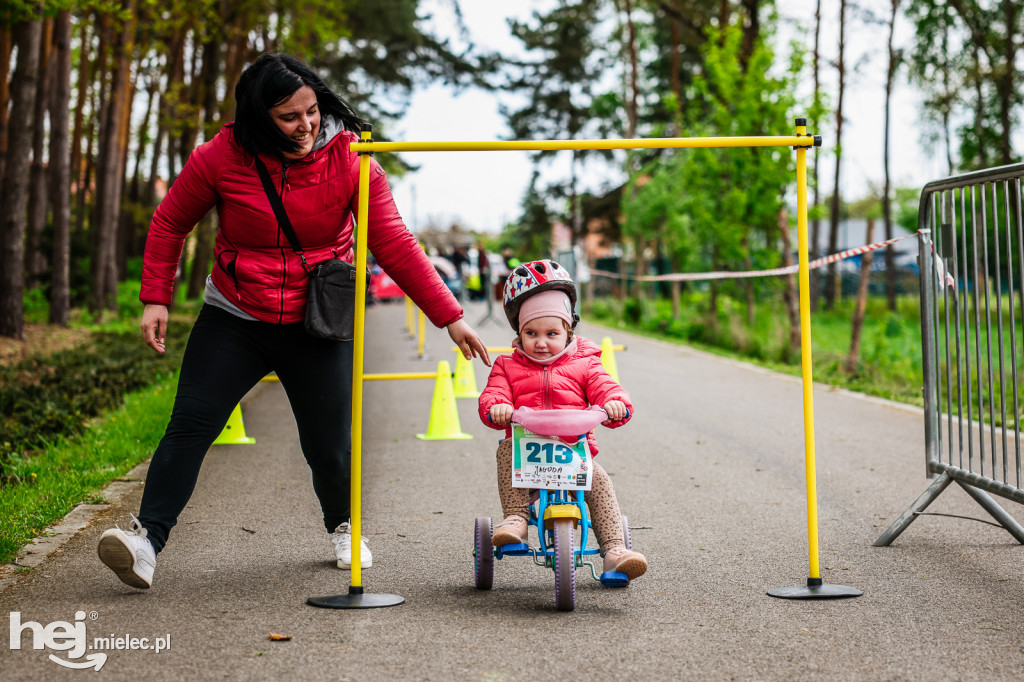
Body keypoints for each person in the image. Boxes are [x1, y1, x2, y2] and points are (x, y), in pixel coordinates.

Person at [97, 54, 490, 590]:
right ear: (260, 117)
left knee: (329, 442)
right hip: (235, 314)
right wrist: (155, 297)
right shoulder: (219, 157)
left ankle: (344, 527)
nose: (304, 125)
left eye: (311, 111)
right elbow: (169, 223)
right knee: (191, 424)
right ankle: (146, 541)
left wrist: (450, 317)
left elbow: (394, 242)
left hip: (316, 321)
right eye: (288, 116)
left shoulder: (353, 159)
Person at [477, 259, 647, 579]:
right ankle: (515, 519)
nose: (541, 342)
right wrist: (497, 406)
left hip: (574, 452)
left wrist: (614, 404)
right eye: (531, 333)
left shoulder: (586, 363)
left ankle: (613, 549)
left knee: (599, 482)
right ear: (519, 332)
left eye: (552, 333)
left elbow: (605, 386)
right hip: (525, 454)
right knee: (505, 451)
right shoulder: (507, 366)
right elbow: (494, 394)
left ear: (569, 330)